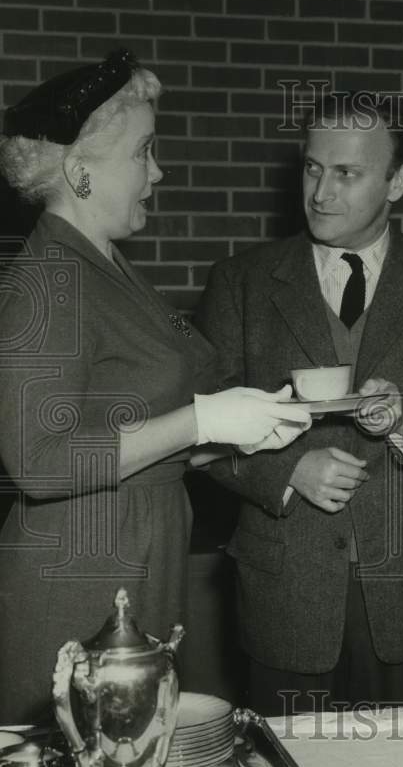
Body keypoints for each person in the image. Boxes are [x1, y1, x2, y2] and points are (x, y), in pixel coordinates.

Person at [0, 50, 310, 724]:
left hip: (138, 553)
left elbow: (142, 430)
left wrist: (250, 425)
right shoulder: (49, 281)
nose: (158, 172)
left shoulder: (106, 269)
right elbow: (37, 461)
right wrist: (201, 421)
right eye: (143, 153)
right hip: (80, 575)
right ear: (81, 173)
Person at [196, 93, 403, 715]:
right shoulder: (241, 282)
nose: (321, 192)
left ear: (397, 182)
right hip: (284, 594)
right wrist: (285, 471)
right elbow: (200, 431)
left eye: (347, 173)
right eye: (313, 168)